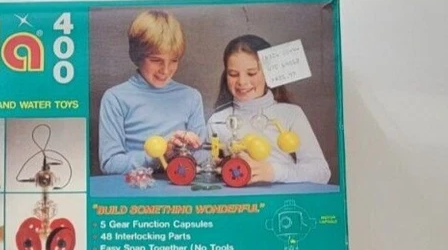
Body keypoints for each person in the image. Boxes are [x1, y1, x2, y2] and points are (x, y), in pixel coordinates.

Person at [206, 35, 331, 185]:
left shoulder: (291, 114)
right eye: (233, 74)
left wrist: (273, 172)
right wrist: (217, 167)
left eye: (252, 73)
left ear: (268, 73)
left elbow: (322, 172)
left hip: (283, 196)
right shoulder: (217, 121)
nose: (242, 82)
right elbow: (208, 172)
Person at [97, 10, 207, 175]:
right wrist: (159, 155)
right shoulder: (115, 98)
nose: (165, 70)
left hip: (181, 184)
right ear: (137, 56)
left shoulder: (191, 97)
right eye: (156, 60)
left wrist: (188, 149)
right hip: (135, 186)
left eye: (174, 61)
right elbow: (110, 163)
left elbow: (203, 156)